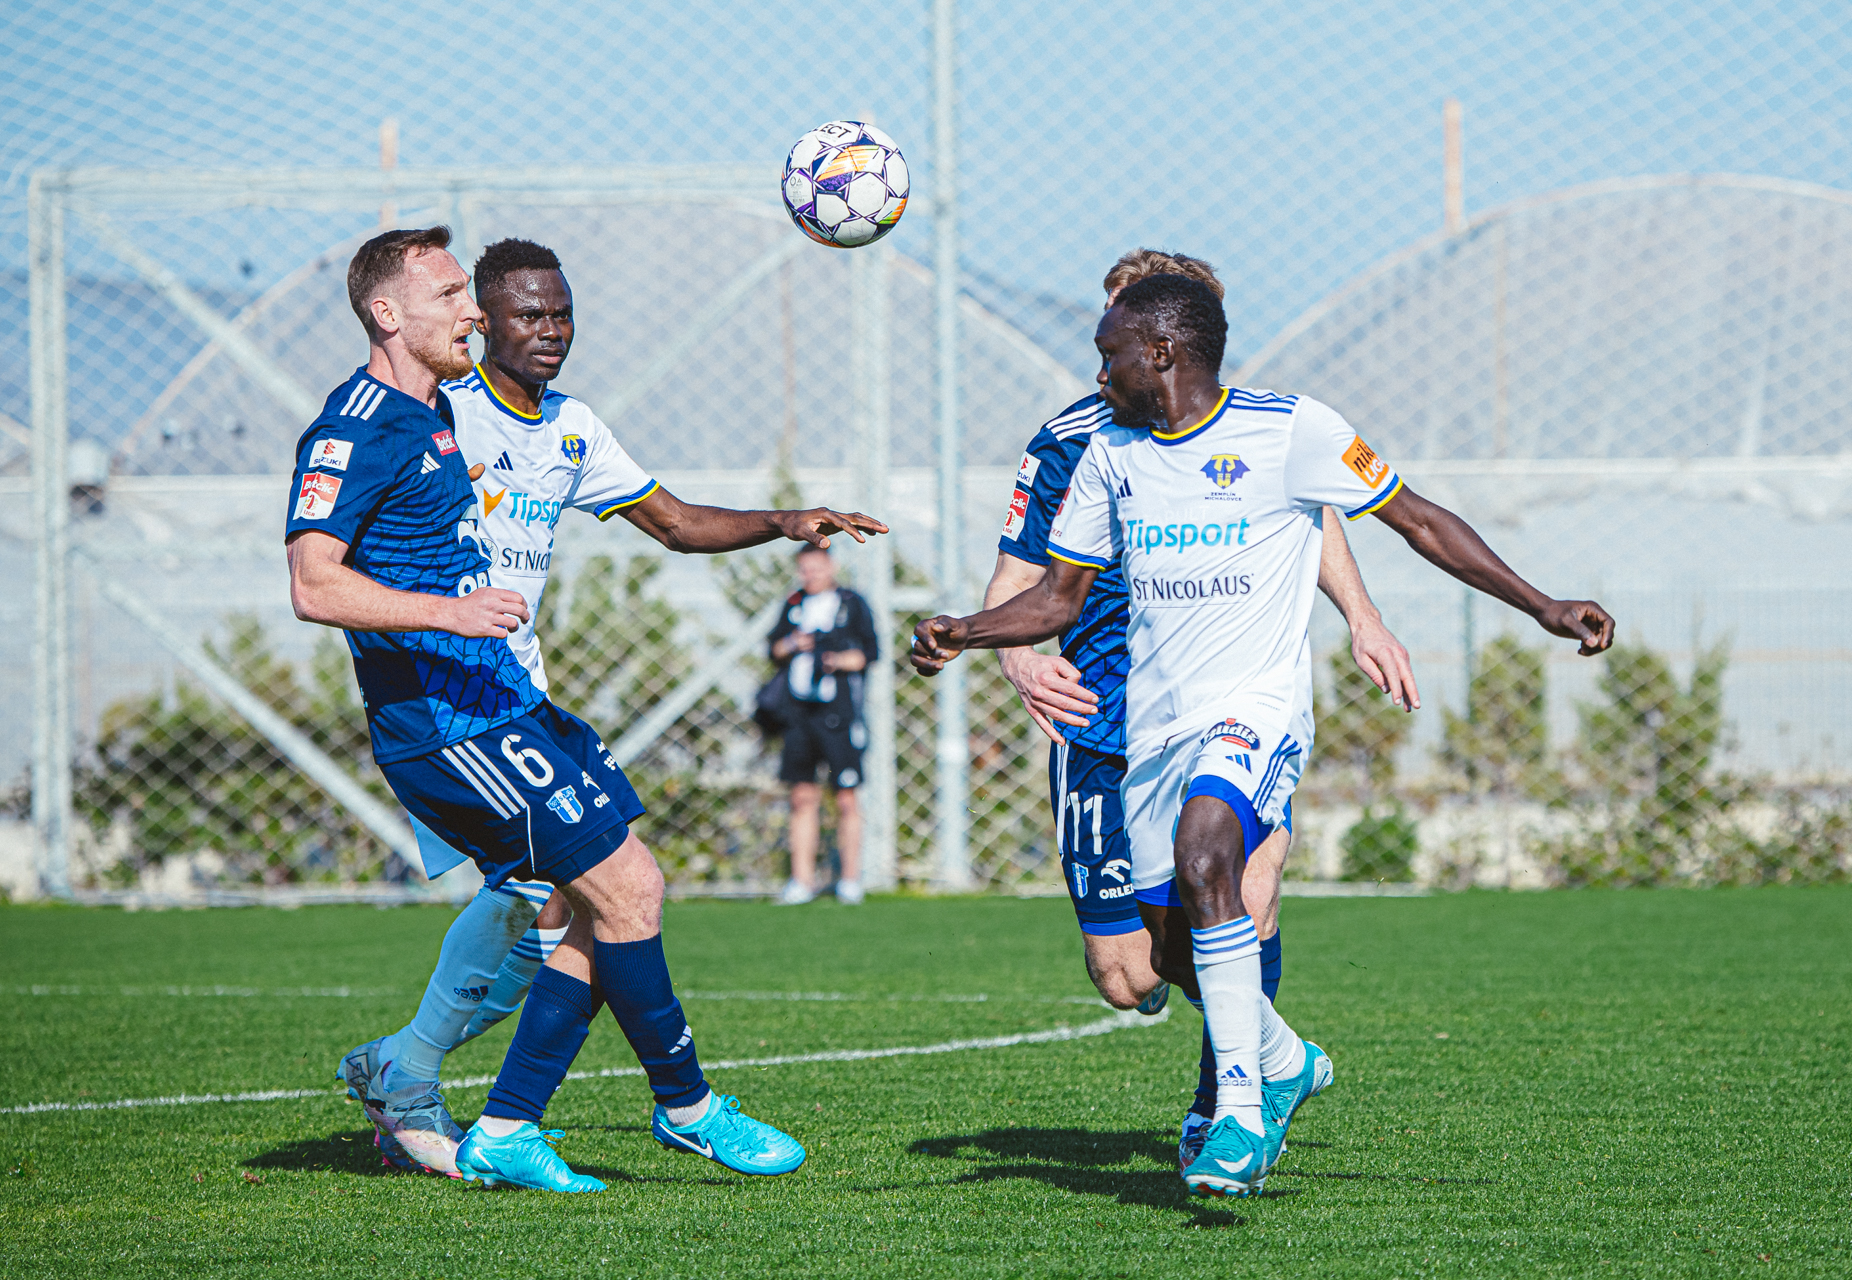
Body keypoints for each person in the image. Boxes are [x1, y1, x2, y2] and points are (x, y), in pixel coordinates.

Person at [912, 272, 1613, 1198]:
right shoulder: (1106, 456)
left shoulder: (1292, 429)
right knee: (1166, 956)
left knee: (1210, 856)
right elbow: (1055, 599)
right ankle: (1284, 1060)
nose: (1099, 371)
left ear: (1162, 351)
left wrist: (1542, 604)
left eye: (1109, 353)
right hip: (1151, 732)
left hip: (1255, 710)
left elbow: (1420, 521)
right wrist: (966, 631)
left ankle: (1238, 1114)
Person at [288, 226, 886, 1193]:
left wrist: (783, 521)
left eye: (560, 313)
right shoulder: (416, 412)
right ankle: (675, 1106)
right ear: (409, 314)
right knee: (612, 891)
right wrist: (450, 614)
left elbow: (675, 522)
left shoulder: (540, 423)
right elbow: (316, 578)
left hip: (514, 697)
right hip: (452, 715)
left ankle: (475, 1104)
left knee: (588, 903)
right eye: (494, 307)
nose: (538, 328)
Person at [987, 249, 1418, 1173]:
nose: (1108, 354)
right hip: (1105, 714)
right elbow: (1023, 574)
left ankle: (1229, 1106)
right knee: (1131, 973)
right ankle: (1277, 1057)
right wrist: (1017, 656)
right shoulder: (1072, 444)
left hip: (1236, 699)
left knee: (1234, 883)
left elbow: (1314, 516)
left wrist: (1364, 616)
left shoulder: (1257, 430)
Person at [767, 544, 879, 905]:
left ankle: (850, 880)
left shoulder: (851, 603)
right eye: (805, 568)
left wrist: (836, 660)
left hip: (838, 715)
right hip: (799, 714)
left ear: (831, 566)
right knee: (802, 795)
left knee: (846, 796)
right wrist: (793, 643)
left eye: (817, 567)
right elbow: (773, 649)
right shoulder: (793, 603)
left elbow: (870, 652)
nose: (811, 574)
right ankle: (801, 881)